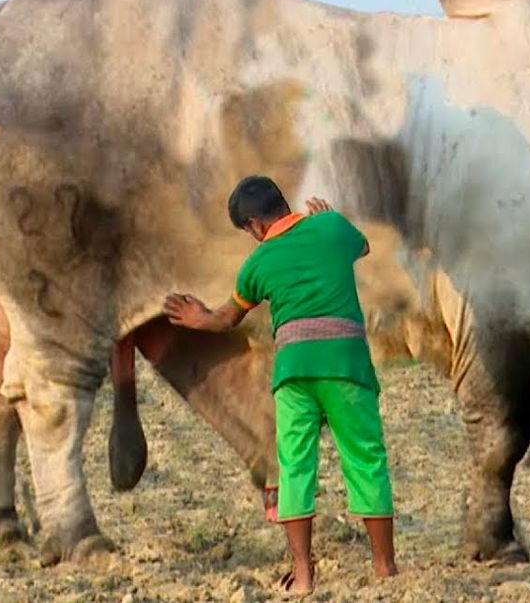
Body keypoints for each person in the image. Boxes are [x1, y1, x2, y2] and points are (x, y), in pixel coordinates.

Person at [163, 176, 397, 596]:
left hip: (293, 373)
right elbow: (362, 247)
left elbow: (226, 319)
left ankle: (304, 576)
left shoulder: (258, 262)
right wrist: (329, 220)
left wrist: (199, 317)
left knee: (294, 467)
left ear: (253, 225)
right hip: (347, 366)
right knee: (365, 460)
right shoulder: (332, 226)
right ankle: (384, 567)